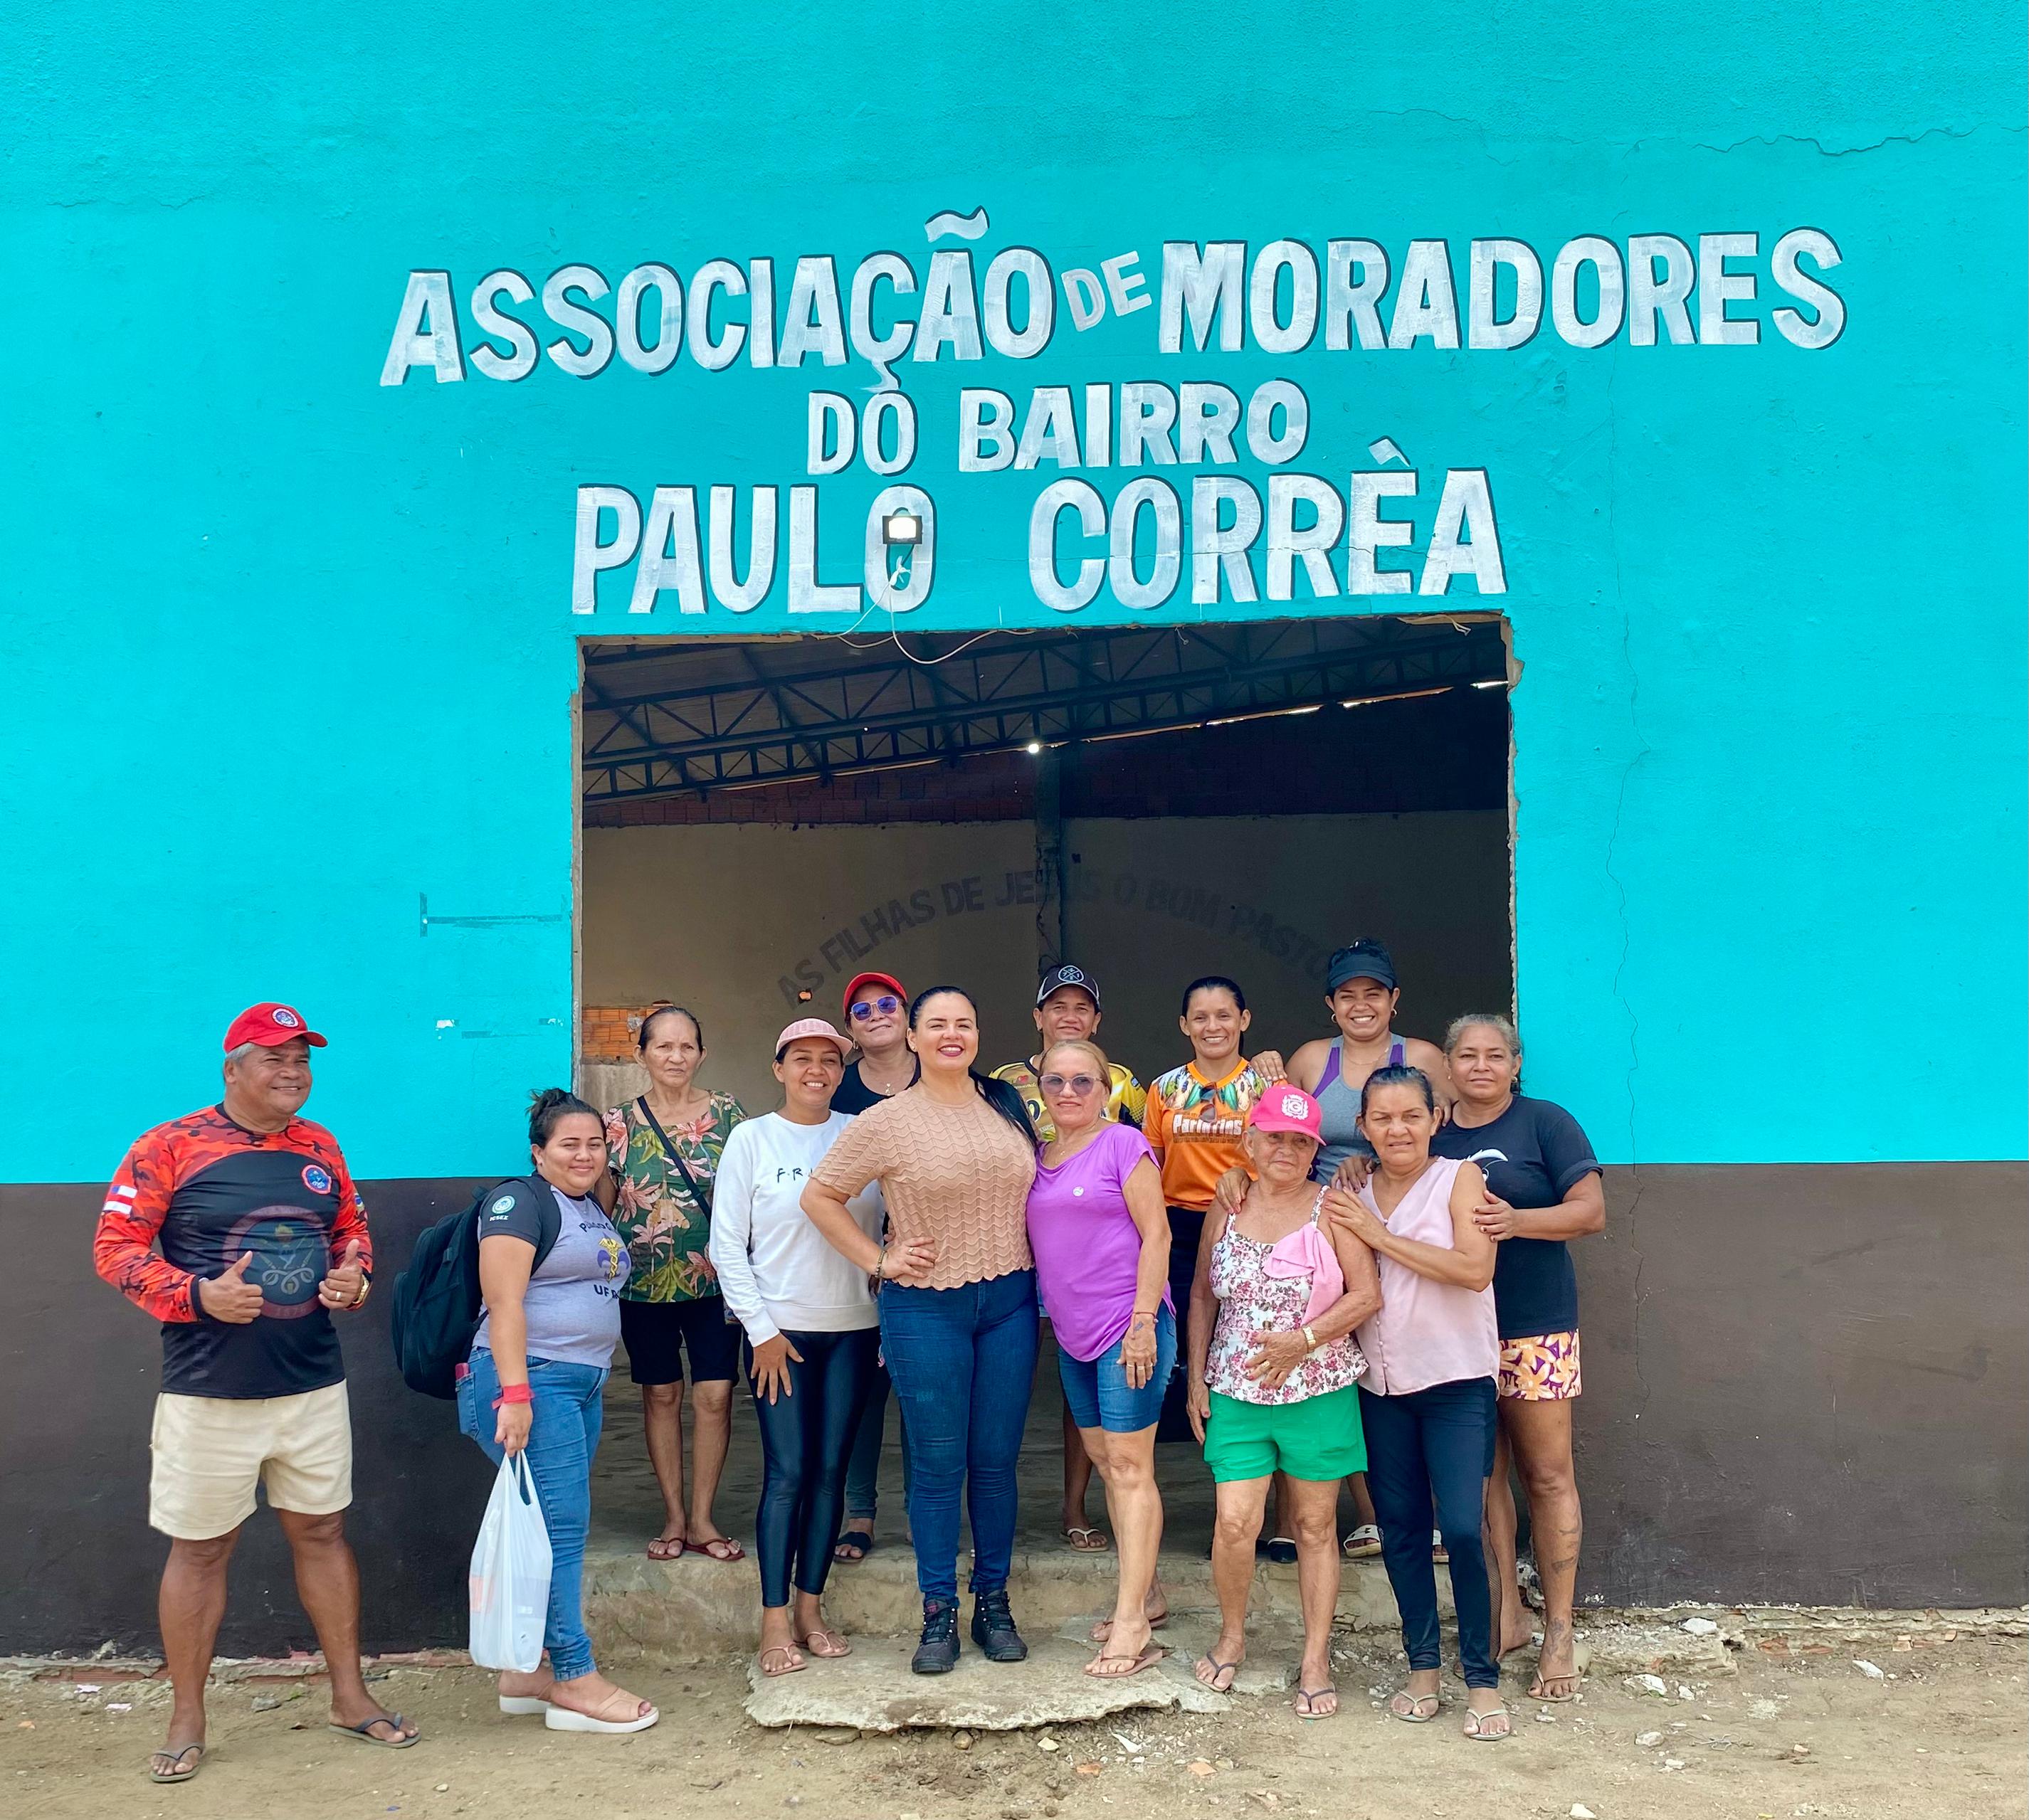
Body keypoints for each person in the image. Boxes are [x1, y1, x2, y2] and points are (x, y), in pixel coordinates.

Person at [93, 1004, 416, 1784]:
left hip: (310, 1381)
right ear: (232, 1067)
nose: (293, 1071)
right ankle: (187, 1716)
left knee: (323, 1532)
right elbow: (115, 1249)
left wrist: (355, 1275)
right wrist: (197, 1294)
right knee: (202, 1547)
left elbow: (352, 1230)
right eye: (274, 1057)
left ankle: (348, 1694)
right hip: (209, 1390)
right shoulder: (167, 1145)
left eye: (302, 1058)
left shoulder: (320, 1145)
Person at [801, 988, 1038, 1675]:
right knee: (936, 1466)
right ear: (912, 1036)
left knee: (994, 1464)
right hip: (923, 1307)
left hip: (1009, 1302)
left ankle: (992, 1601)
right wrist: (878, 1259)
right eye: (937, 1024)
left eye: (964, 1023)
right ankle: (937, 1612)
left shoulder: (1006, 1103)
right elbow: (820, 1195)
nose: (951, 1035)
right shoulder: (886, 1121)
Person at [1218, 939, 1449, 1561]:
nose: (1361, 1005)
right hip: (1317, 1223)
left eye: (1373, 993)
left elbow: (1431, 1127)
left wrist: (1374, 1162)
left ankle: (1414, 1514)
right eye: (1347, 995)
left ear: (1394, 1000)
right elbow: (1274, 1127)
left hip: (1392, 1211)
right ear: (1330, 1004)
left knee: (1394, 1364)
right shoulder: (1312, 1058)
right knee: (1338, 1366)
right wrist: (1242, 1175)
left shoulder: (1422, 1056)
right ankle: (1323, 1516)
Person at [460, 1089, 655, 1733]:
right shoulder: (518, 1203)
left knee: (552, 1526)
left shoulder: (585, 1205)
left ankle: (526, 1672)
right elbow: (505, 1302)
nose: (584, 1155)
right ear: (539, 1152)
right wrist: (515, 1396)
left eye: (594, 1144)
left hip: (579, 1385)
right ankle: (573, 1675)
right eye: (568, 1145)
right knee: (564, 1531)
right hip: (533, 1382)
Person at [1184, 1084, 1381, 1719]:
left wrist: (1304, 1339)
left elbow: (1366, 1294)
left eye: (1301, 1141)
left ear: (1314, 1150)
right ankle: (1232, 1635)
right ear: (1250, 1141)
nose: (1287, 1151)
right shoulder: (1228, 1202)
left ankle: (1316, 1657)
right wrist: (1195, 1380)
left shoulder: (1332, 1208)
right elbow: (1201, 1296)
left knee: (1314, 1526)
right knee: (1236, 1524)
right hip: (1236, 1388)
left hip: (1316, 1387)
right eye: (1275, 1137)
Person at [1326, 1065, 1507, 1742]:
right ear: (1364, 1127)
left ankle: (1482, 1680)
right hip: (1380, 1386)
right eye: (1381, 1118)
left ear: (1435, 1119)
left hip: (1455, 1382)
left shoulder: (1459, 1178)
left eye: (1410, 1116)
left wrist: (1378, 1237)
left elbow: (1473, 1269)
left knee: (1461, 1527)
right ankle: (1423, 1668)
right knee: (1400, 1531)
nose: (1396, 1129)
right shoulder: (1352, 1187)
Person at [1430, 1014, 1605, 1703]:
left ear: (1515, 1062)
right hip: (1455, 1328)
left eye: (1493, 1054)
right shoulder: (1434, 1134)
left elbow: (1589, 1211)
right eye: (1466, 1055)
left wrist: (1516, 1221)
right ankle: (1505, 1616)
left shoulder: (1545, 1123)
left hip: (1534, 1327)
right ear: (1446, 1065)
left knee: (1547, 1473)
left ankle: (1559, 1629)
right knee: (1480, 1478)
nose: (1479, 1065)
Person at [707, 1019, 887, 1678]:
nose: (817, 1070)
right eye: (802, 1059)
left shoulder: (860, 1135)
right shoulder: (751, 1140)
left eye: (829, 1060)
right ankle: (773, 1620)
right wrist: (761, 1332)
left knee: (830, 1472)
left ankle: (812, 1610)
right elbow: (728, 1245)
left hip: (854, 1329)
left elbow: (895, 1219)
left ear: (842, 1071)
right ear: (778, 1067)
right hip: (778, 1335)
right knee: (788, 1471)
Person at [1024, 1039, 1174, 1677]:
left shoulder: (1123, 1144)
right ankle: (1151, 1592)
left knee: (1131, 1466)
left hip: (1127, 1326)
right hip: (1073, 1333)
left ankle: (1133, 1621)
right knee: (1106, 1461)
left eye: (1082, 1082)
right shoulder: (1038, 1155)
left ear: (1105, 1086)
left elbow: (1157, 1234)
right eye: (1055, 1082)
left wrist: (1143, 1322)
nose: (1067, 1093)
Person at [992, 965, 1148, 1555]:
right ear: (1037, 1017)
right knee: (1011, 1380)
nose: (1068, 1016)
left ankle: (1075, 1503)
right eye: (1056, 1006)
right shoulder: (1004, 1082)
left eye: (1081, 1007)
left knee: (1079, 1383)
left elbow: (1131, 1171)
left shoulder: (1124, 1083)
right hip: (1018, 1252)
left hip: (1090, 1262)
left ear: (1097, 1020)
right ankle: (997, 1510)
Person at [603, 1006, 747, 1562]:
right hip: (642, 1287)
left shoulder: (730, 1115)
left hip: (718, 1282)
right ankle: (673, 1516)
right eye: (663, 1046)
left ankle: (704, 1517)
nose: (675, 1056)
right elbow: (604, 1209)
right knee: (660, 1395)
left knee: (715, 1396)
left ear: (701, 1054)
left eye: (686, 1046)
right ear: (641, 1054)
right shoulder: (616, 1124)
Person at [1143, 978, 1275, 1515]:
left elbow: (1288, 1162)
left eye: (1224, 1015)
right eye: (1200, 1017)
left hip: (1250, 1226)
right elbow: (1147, 1167)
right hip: (1176, 1229)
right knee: (1182, 1361)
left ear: (1244, 1020)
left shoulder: (1267, 1088)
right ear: (1183, 1025)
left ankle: (1268, 1514)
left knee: (1252, 1358)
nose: (1212, 1027)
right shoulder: (1165, 1089)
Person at [828, 971, 916, 1562]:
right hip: (857, 1260)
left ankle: (922, 1513)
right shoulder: (839, 1095)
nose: (876, 1014)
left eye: (887, 1004)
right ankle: (859, 1512)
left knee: (921, 1392)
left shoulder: (938, 1076)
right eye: (862, 1011)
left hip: (932, 1259)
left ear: (908, 1015)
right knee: (863, 1394)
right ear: (851, 1031)